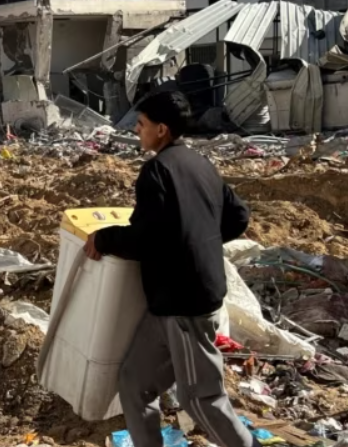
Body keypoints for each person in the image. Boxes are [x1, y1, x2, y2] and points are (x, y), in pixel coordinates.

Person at [85, 91, 252, 447]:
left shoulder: (157, 171)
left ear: (161, 129)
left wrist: (103, 238)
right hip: (167, 304)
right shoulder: (200, 163)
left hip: (185, 306)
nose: (136, 130)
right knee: (134, 382)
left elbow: (145, 238)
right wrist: (200, 242)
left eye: (141, 124)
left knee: (201, 399)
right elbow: (237, 216)